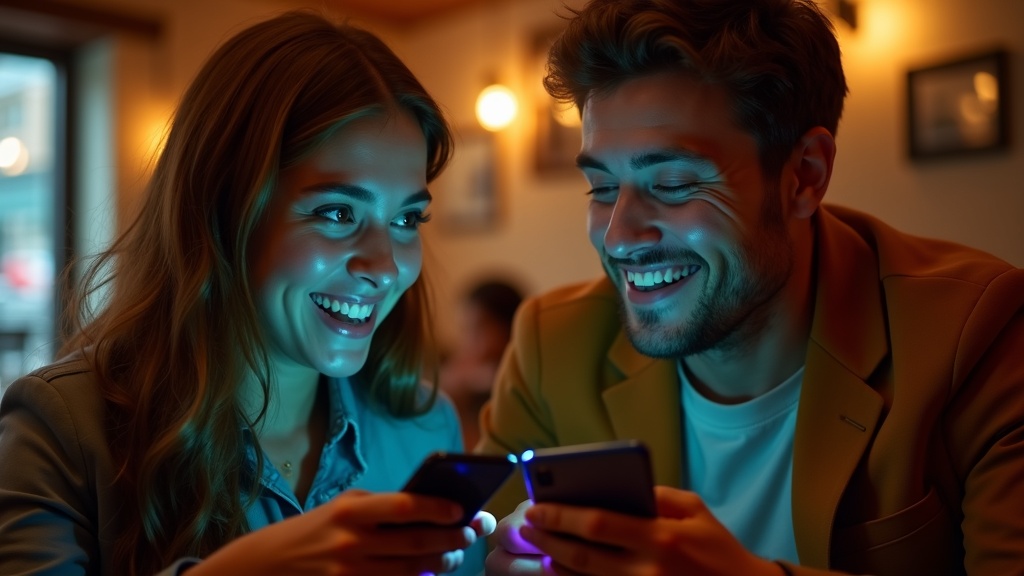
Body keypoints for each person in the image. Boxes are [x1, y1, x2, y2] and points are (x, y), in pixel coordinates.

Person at [477, 0, 1024, 575]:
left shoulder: (977, 335)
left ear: (805, 175)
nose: (618, 238)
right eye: (603, 188)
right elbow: (467, 550)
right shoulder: (551, 345)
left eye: (673, 183)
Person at [0, 11, 495, 576]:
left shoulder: (425, 427)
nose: (384, 267)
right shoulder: (63, 427)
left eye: (407, 219)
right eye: (337, 213)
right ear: (225, 208)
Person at [439, 279, 524, 450]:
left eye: (479, 328)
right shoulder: (461, 376)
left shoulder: (524, 378)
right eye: (465, 330)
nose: (469, 341)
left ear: (510, 327)